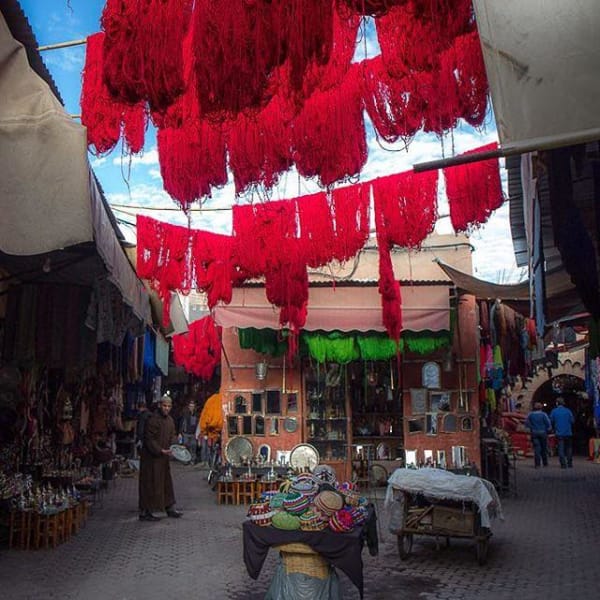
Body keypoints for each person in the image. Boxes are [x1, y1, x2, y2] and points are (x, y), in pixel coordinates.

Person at [138, 394, 183, 521]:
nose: (166, 408)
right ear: (160, 405)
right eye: (164, 406)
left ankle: (169, 507)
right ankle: (145, 511)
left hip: (164, 458)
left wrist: (175, 447)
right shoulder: (153, 419)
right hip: (151, 459)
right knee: (149, 484)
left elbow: (172, 435)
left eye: (169, 406)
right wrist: (159, 450)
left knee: (166, 483)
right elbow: (149, 439)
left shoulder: (170, 421)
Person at [550, 397, 575, 469]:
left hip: (559, 432)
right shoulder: (568, 411)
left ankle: (563, 464)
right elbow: (572, 421)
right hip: (568, 432)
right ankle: (569, 463)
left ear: (557, 403)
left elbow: (551, 420)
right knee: (569, 448)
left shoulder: (554, 411)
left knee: (561, 448)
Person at [525, 401, 552, 468]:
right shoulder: (543, 414)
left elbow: (527, 423)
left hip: (534, 432)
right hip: (543, 432)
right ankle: (545, 463)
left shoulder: (530, 415)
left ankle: (537, 464)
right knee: (543, 448)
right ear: (541, 408)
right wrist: (548, 429)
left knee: (537, 448)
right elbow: (548, 423)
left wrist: (532, 427)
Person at [178, 399, 200, 464]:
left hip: (193, 434)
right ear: (188, 407)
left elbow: (198, 424)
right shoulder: (185, 414)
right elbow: (181, 423)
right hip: (186, 433)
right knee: (185, 447)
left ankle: (192, 460)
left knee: (193, 447)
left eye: (192, 406)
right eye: (190, 406)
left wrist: (198, 433)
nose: (191, 407)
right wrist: (180, 433)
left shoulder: (196, 415)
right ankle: (185, 460)